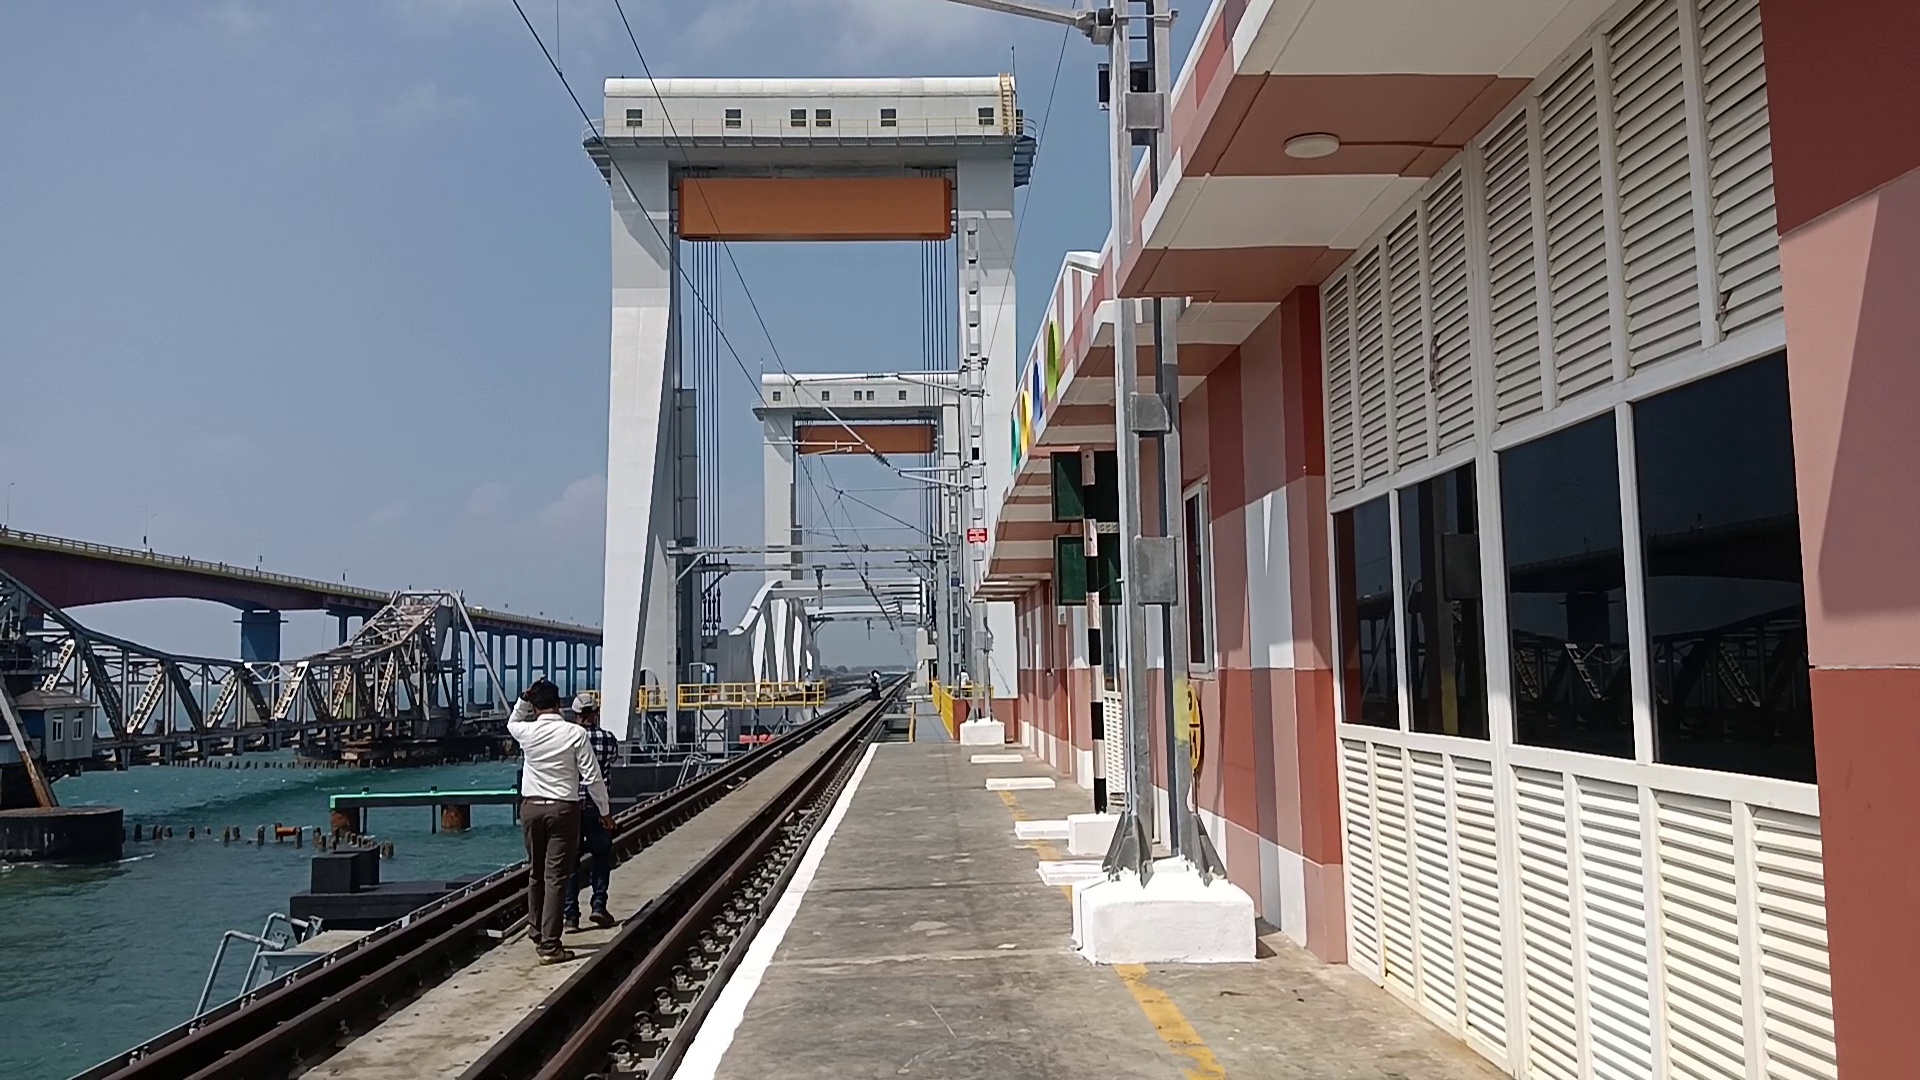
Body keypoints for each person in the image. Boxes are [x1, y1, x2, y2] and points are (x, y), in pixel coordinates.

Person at [507, 678, 612, 965]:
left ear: (536, 706)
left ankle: (536, 929)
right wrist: (604, 812)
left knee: (536, 871)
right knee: (556, 876)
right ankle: (551, 946)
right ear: (559, 705)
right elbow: (592, 777)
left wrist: (522, 698)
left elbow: (512, 721)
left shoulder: (526, 732)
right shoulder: (575, 734)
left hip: (530, 807)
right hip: (563, 809)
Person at [564, 691, 619, 932]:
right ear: (596, 713)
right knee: (601, 857)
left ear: (576, 715)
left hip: (572, 806)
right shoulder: (608, 740)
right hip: (598, 807)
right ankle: (598, 905)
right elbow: (611, 762)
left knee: (570, 862)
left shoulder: (568, 739)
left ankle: (571, 916)